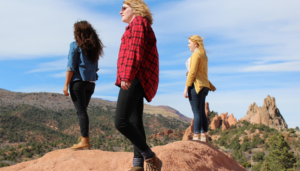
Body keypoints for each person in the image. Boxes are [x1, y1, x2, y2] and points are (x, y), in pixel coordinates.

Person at [114, 0, 161, 171]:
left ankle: (149, 156)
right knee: (135, 121)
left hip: (134, 77)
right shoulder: (136, 25)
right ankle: (137, 164)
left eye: (124, 8)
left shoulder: (139, 22)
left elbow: (135, 50)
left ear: (135, 9)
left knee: (120, 121)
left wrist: (126, 75)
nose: (120, 12)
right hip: (135, 76)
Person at [63, 20, 104, 150]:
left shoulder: (75, 45)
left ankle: (85, 139)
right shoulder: (94, 48)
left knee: (81, 112)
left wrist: (66, 85)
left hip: (78, 83)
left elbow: (71, 66)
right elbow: (96, 67)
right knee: (83, 111)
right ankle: (83, 138)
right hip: (90, 84)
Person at [183, 35, 216, 142]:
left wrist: (186, 88)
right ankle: (203, 135)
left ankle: (196, 136)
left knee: (196, 112)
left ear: (195, 44)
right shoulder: (204, 56)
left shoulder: (196, 55)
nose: (188, 45)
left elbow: (192, 73)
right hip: (205, 85)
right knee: (201, 111)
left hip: (196, 85)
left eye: (189, 43)